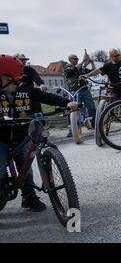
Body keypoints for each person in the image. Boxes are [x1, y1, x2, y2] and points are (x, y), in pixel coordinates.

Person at [0, 54, 77, 212]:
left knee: (25, 166)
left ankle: (29, 198)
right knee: (0, 169)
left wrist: (66, 103)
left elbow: (45, 96)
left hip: (22, 134)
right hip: (1, 137)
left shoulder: (25, 89)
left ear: (8, 77)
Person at [64, 53, 97, 137]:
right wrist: (83, 61)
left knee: (91, 107)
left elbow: (93, 72)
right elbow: (73, 70)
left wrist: (91, 62)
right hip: (74, 91)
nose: (76, 60)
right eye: (74, 59)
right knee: (73, 110)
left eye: (77, 59)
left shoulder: (81, 67)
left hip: (84, 89)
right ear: (70, 60)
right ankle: (73, 129)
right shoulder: (67, 68)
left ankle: (95, 125)